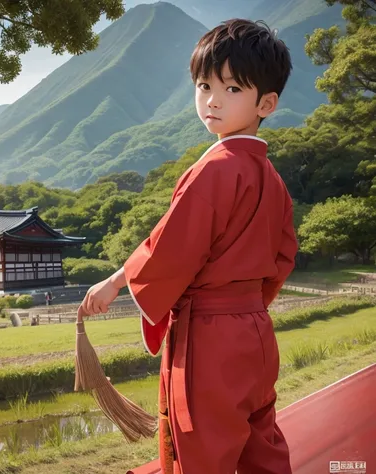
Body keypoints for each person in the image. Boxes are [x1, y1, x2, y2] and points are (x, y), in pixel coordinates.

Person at [78, 18, 298, 474]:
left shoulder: (215, 170)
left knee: (202, 453)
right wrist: (248, 304)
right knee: (263, 446)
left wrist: (116, 282)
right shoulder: (271, 179)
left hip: (211, 337)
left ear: (267, 103)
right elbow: (283, 257)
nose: (213, 100)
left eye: (233, 88)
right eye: (204, 85)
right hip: (256, 331)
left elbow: (174, 248)